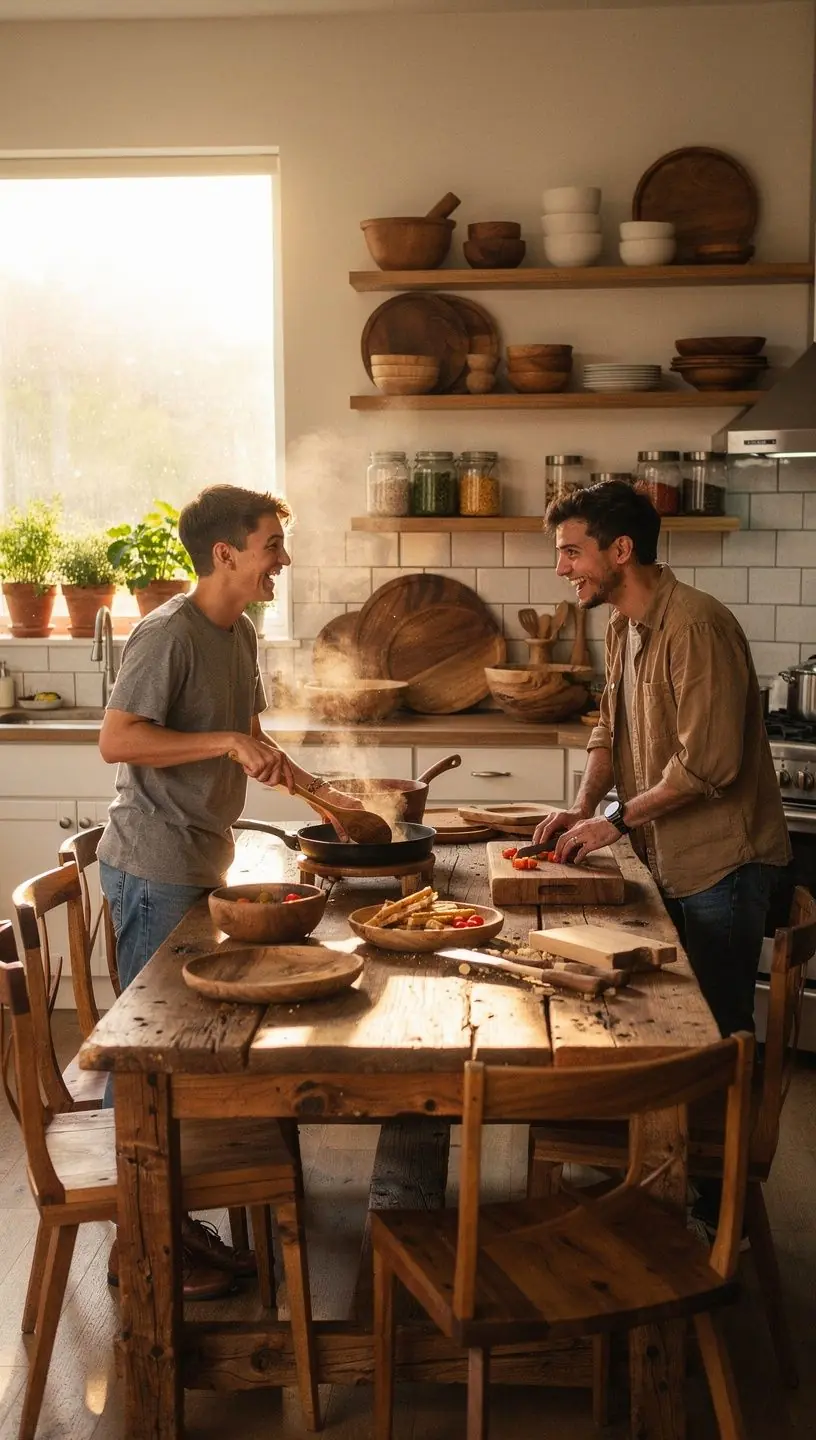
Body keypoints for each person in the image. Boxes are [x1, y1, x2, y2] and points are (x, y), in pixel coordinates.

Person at [96, 483, 362, 1296]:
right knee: (151, 1052)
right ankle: (140, 1246)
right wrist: (225, 742)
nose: (282, 558)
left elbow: (247, 737)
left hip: (199, 855)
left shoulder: (238, 632)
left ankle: (173, 1223)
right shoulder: (168, 634)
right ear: (226, 554)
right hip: (153, 862)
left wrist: (323, 794)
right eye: (272, 543)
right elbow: (118, 740)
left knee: (183, 1047)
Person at [533, 480, 791, 1040]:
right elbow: (608, 728)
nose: (561, 569)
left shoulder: (696, 626)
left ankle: (725, 1131)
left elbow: (707, 765)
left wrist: (615, 820)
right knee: (668, 1027)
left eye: (572, 551)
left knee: (718, 1033)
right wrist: (582, 809)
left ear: (620, 551)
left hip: (720, 866)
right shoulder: (622, 622)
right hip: (666, 858)